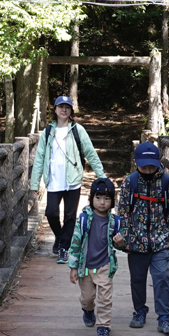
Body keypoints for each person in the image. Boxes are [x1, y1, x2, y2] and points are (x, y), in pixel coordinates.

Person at [29, 95, 105, 263]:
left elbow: (91, 153)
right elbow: (39, 158)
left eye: (67, 107)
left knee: (70, 216)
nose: (64, 109)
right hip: (54, 180)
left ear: (71, 111)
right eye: (61, 106)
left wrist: (102, 177)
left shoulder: (78, 130)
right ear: (55, 110)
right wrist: (35, 183)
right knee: (51, 212)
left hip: (73, 180)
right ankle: (60, 236)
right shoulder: (48, 131)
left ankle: (64, 248)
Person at [115, 141, 169, 335]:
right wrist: (123, 240)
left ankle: (164, 318)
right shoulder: (130, 182)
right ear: (136, 163)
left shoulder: (166, 182)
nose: (149, 170)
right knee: (137, 278)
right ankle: (139, 311)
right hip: (136, 240)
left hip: (161, 239)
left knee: (161, 277)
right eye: (144, 166)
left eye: (152, 166)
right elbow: (123, 212)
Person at [67, 177, 122, 336]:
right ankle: (88, 310)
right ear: (91, 199)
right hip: (85, 266)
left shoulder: (114, 222)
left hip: (105, 264)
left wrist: (120, 242)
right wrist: (73, 267)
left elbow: (118, 246)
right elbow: (76, 243)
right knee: (87, 298)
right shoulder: (84, 219)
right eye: (98, 198)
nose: (102, 202)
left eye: (107, 199)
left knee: (105, 299)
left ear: (112, 201)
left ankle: (103, 327)